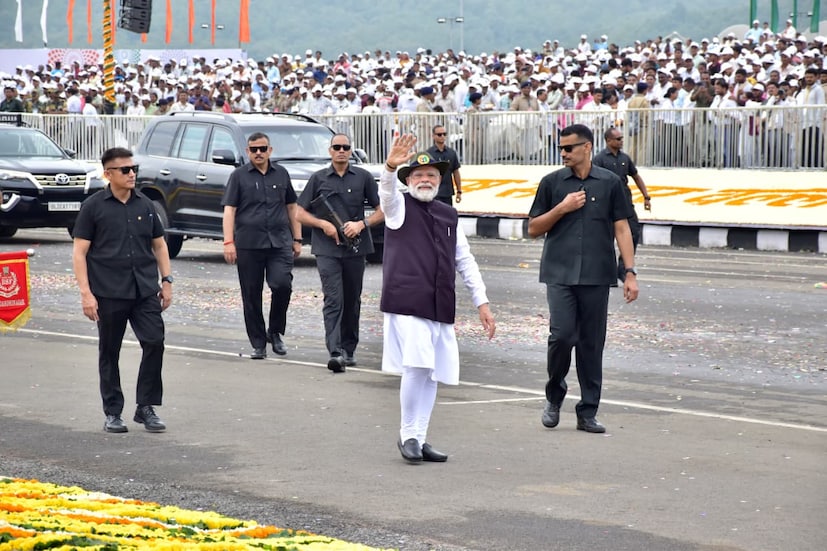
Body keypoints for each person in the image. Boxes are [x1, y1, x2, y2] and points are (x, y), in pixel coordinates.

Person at [379, 134, 496, 463]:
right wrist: (390, 167)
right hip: (407, 302)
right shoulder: (398, 208)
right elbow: (385, 192)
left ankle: (420, 435)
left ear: (440, 180)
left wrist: (482, 303)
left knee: (432, 372)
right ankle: (407, 435)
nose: (425, 180)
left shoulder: (449, 214)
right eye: (418, 176)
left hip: (439, 303)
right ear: (409, 179)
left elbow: (464, 260)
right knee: (416, 367)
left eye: (431, 175)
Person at [527, 124, 639, 434]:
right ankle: (554, 396)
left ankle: (588, 411)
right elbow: (534, 228)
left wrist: (629, 272)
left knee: (592, 345)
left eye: (569, 148)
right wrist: (561, 209)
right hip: (559, 273)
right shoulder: (551, 183)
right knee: (562, 337)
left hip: (596, 275)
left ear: (586, 147)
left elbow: (621, 228)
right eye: (560, 148)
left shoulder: (610, 183)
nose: (563, 153)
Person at [72, 147, 173, 434]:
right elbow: (80, 253)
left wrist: (167, 281)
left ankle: (146, 407)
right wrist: (86, 293)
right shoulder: (93, 206)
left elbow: (160, 245)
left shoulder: (145, 204)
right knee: (110, 351)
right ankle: (113, 412)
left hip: (144, 290)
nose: (132, 174)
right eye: (125, 170)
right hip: (108, 291)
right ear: (108, 174)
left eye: (134, 169)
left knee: (154, 341)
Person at [296, 134, 384, 372]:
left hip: (356, 248)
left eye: (346, 147)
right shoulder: (319, 178)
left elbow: (381, 211)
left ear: (351, 150)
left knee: (352, 299)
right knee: (334, 299)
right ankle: (335, 352)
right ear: (330, 151)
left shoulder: (363, 177)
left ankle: (349, 348)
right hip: (327, 249)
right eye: (337, 147)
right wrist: (323, 224)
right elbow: (299, 213)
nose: (341, 151)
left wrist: (360, 224)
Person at [222, 132, 302, 360]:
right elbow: (229, 210)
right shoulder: (238, 176)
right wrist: (228, 242)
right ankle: (258, 343)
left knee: (282, 285)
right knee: (251, 294)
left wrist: (297, 238)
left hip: (279, 242)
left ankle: (275, 331)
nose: (259, 153)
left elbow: (291, 207)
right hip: (249, 243)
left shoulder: (282, 173)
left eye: (263, 148)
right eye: (254, 149)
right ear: (247, 151)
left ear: (270, 150)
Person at [592, 127, 651, 281]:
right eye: (618, 139)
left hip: (624, 200)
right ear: (608, 141)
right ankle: (608, 273)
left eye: (621, 138)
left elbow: (636, 177)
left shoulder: (625, 158)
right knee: (607, 237)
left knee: (633, 232)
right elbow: (594, 182)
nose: (621, 141)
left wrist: (646, 196)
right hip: (606, 202)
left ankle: (623, 267)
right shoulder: (599, 159)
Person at [426, 125, 463, 206]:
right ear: (433, 136)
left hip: (447, 193)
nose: (442, 136)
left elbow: (456, 172)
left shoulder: (451, 153)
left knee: (447, 216)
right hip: (433, 193)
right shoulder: (428, 154)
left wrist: (459, 191)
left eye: (444, 134)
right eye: (439, 134)